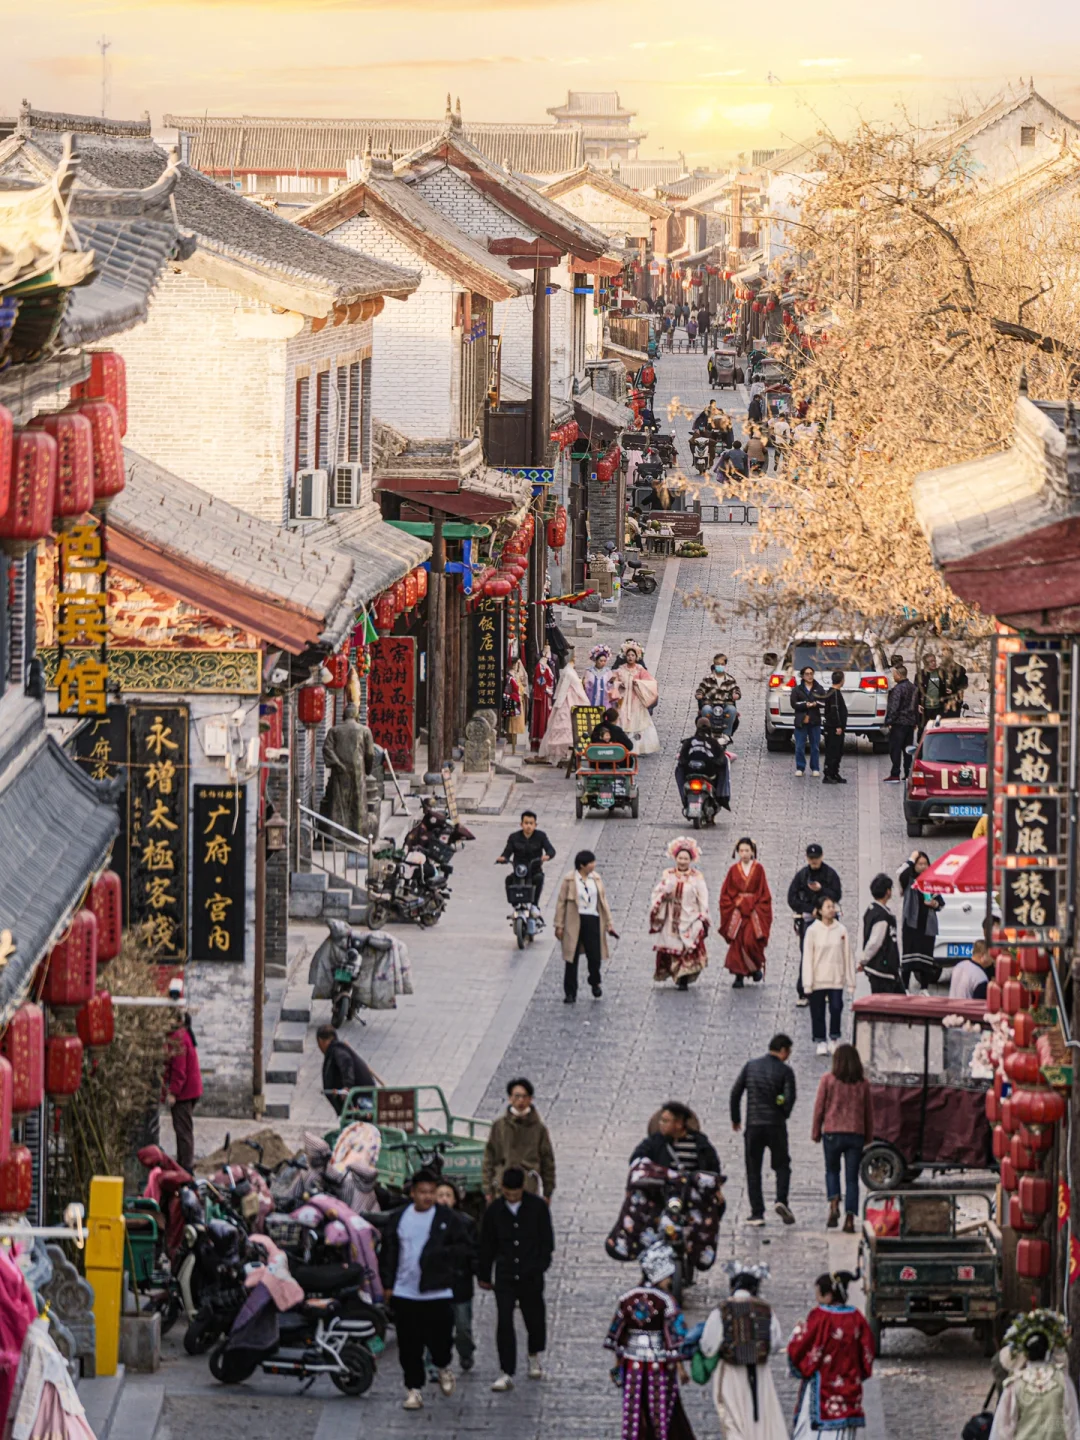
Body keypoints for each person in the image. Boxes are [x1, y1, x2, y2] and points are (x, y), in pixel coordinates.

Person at [379, 1168, 471, 1411]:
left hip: (437, 1291)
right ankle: (413, 1389)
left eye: (432, 1192)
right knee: (409, 1344)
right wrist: (387, 1285)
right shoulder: (399, 1218)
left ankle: (443, 1366)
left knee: (440, 1339)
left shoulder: (448, 1219)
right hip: (405, 1291)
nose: (428, 1197)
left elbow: (464, 1249)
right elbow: (388, 1253)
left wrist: (442, 1261)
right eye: (423, 1192)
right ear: (412, 1193)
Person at [605, 1242, 696, 1440]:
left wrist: (617, 1364)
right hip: (659, 1364)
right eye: (668, 1277)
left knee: (635, 1409)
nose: (670, 1281)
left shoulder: (627, 1298)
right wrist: (680, 1367)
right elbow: (674, 1338)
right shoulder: (666, 1301)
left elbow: (618, 1335)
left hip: (632, 1363)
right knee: (661, 1408)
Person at [479, 1166, 555, 1392]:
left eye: (516, 1193)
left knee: (534, 1317)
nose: (511, 1197)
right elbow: (487, 1244)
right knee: (504, 1320)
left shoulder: (538, 1207)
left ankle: (534, 1353)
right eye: (508, 1193)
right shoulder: (494, 1211)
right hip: (505, 1274)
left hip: (531, 1273)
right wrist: (484, 1274)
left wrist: (541, 1265)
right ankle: (506, 1370)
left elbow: (546, 1240)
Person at [697, 1266, 787, 1440]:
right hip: (760, 1372)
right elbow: (775, 1343)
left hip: (731, 1372)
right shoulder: (765, 1309)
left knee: (733, 1417)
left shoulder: (721, 1310)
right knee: (761, 1415)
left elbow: (708, 1345)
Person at [788, 1272, 874, 1438]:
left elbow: (802, 1344)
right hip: (849, 1385)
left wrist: (798, 1332)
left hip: (822, 1387)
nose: (817, 1299)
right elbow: (867, 1349)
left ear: (828, 1295)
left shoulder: (820, 1317)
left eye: (818, 1294)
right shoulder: (856, 1317)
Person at [730, 1034, 796, 1228]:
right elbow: (788, 1098)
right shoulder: (785, 1071)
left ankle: (757, 1213)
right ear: (783, 1050)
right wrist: (782, 1110)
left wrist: (736, 1119)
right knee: (782, 1165)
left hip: (754, 1125)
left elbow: (735, 1093)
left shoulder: (751, 1066)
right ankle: (781, 1199)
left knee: (753, 1169)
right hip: (775, 1126)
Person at [990, 1309, 1080, 1440]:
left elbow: (1003, 1428)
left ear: (1025, 1353)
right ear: (1048, 1350)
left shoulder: (1015, 1384)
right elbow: (1073, 1423)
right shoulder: (1063, 1381)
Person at [811, 1044, 873, 1232]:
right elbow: (868, 1113)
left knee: (832, 1171)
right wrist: (868, 1137)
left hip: (832, 1133)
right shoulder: (863, 1084)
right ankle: (849, 1219)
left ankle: (834, 1202)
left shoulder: (828, 1080)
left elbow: (819, 1108)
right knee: (852, 1178)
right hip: (855, 1134)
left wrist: (815, 1131)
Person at [554, 850, 619, 1003]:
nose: (593, 865)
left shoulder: (596, 878)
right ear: (582, 865)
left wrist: (609, 923)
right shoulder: (569, 880)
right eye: (591, 862)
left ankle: (594, 981)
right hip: (574, 920)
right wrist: (559, 925)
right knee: (571, 958)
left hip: (593, 919)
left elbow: (603, 901)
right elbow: (561, 902)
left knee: (595, 956)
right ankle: (570, 992)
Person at [650, 837, 710, 990]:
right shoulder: (668, 875)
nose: (682, 861)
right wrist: (664, 893)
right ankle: (676, 973)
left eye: (686, 858)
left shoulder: (697, 877)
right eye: (680, 858)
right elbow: (657, 892)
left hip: (690, 916)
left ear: (691, 859)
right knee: (674, 946)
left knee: (687, 946)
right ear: (675, 858)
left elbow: (703, 896)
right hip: (671, 917)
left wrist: (703, 914)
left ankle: (683, 977)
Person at [482, 1077, 557, 1202]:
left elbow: (547, 1160)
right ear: (510, 1098)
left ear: (530, 1099)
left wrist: (548, 1191)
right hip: (502, 1187)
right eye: (517, 1096)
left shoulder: (538, 1129)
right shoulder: (499, 1126)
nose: (520, 1100)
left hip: (528, 1187)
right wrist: (487, 1187)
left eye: (524, 1096)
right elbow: (489, 1157)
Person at [787, 844, 843, 1007]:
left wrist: (821, 890)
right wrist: (809, 909)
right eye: (811, 859)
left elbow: (837, 894)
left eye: (816, 858)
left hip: (828, 922)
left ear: (822, 857)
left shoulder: (830, 874)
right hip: (808, 921)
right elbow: (792, 898)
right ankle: (804, 991)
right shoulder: (802, 876)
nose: (814, 861)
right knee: (808, 955)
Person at [434, 1180, 478, 1374]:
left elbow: (474, 1252)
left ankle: (465, 1352)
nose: (444, 1200)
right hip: (435, 1285)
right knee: (435, 1327)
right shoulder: (426, 1222)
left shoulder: (466, 1223)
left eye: (448, 1195)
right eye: (440, 1195)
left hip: (460, 1283)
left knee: (462, 1327)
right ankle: (435, 1363)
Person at [801, 897, 854, 1057]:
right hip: (818, 979)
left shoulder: (841, 930)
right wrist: (807, 983)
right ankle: (820, 1040)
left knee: (836, 1008)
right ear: (819, 911)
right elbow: (808, 957)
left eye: (833, 906)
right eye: (827, 906)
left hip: (836, 978)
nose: (831, 909)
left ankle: (834, 1038)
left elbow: (848, 955)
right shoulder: (812, 931)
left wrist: (850, 980)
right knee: (817, 1011)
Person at [720, 838, 773, 988]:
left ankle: (754, 967)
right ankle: (739, 975)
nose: (744, 854)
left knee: (751, 941)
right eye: (741, 851)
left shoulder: (759, 869)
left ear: (753, 852)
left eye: (747, 851)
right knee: (738, 942)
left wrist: (754, 905)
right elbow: (726, 893)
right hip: (737, 912)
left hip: (754, 912)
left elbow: (764, 892)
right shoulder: (733, 870)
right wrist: (735, 904)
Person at [163, 979, 202, 1174]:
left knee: (183, 1131)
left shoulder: (178, 1037)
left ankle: (186, 1168)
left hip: (185, 1092)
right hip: (190, 1089)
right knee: (182, 1129)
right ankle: (183, 1163)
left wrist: (173, 1093)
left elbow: (179, 1070)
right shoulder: (182, 1033)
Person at [322, 703, 376, 837]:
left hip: (340, 771)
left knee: (338, 801)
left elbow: (327, 748)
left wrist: (337, 763)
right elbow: (370, 754)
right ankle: (357, 832)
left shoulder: (334, 730)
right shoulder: (364, 730)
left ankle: (336, 832)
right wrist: (367, 770)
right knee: (357, 801)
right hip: (357, 769)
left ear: (343, 715)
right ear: (357, 716)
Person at [896, 850, 944, 988]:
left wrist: (934, 904)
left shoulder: (932, 882)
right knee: (908, 959)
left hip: (927, 926)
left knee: (926, 959)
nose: (923, 867)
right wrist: (911, 858)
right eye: (919, 864)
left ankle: (924, 988)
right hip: (911, 925)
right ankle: (905, 987)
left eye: (925, 864)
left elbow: (940, 903)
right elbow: (900, 873)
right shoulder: (908, 881)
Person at [631, 1100, 721, 1174]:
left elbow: (713, 1168)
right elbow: (637, 1158)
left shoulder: (700, 1143)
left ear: (679, 1124)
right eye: (661, 1120)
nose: (660, 1124)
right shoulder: (654, 1141)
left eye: (665, 1121)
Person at [496, 810, 556, 909]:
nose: (528, 826)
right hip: (519, 871)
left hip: (534, 870)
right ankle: (515, 905)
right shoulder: (514, 837)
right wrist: (503, 858)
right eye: (526, 823)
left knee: (539, 878)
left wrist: (547, 856)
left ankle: (535, 905)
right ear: (521, 824)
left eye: (531, 823)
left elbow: (551, 849)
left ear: (535, 825)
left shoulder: (541, 836)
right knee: (509, 880)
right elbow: (507, 852)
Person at [608, 641, 660, 754]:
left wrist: (639, 683)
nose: (630, 657)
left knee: (638, 721)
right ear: (625, 656)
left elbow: (651, 682)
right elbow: (611, 681)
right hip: (624, 700)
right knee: (622, 719)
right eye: (628, 655)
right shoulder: (621, 669)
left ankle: (637, 747)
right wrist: (618, 684)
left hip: (636, 700)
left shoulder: (640, 669)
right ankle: (622, 745)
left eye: (632, 655)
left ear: (637, 657)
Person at [859, 873, 905, 994]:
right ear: (888, 892)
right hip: (883, 970)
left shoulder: (871, 910)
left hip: (881, 969)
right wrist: (863, 960)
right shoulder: (883, 916)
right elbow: (875, 941)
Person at [317, 1024, 376, 1114]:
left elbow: (346, 1062)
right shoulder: (338, 1049)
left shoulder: (337, 1050)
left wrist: (347, 1087)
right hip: (362, 1096)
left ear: (320, 1041)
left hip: (361, 1099)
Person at [539, 658, 589, 763]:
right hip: (567, 700)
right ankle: (562, 754)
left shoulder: (569, 671)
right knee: (565, 725)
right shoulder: (569, 672)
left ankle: (567, 753)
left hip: (572, 700)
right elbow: (562, 689)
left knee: (570, 727)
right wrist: (558, 703)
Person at [675, 716, 730, 810]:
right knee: (725, 762)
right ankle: (722, 794)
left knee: (678, 770)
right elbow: (720, 760)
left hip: (690, 771)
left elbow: (682, 759)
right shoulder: (713, 742)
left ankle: (683, 796)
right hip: (709, 772)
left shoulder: (689, 741)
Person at [882, 663, 919, 783]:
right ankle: (908, 773)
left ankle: (895, 773)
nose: (893, 677)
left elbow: (894, 707)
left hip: (899, 723)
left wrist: (889, 720)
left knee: (895, 748)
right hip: (910, 723)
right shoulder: (914, 688)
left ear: (899, 675)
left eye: (894, 674)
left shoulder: (898, 689)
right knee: (907, 749)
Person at [792, 666, 826, 778]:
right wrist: (805, 704)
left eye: (811, 673)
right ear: (803, 676)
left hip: (814, 721)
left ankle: (815, 767)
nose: (809, 676)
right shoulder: (797, 689)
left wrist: (816, 704)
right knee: (799, 746)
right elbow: (794, 704)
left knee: (815, 746)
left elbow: (824, 702)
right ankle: (800, 767)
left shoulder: (819, 688)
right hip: (801, 721)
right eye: (807, 674)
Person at [695, 652, 741, 737]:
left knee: (732, 710)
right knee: (706, 710)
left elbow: (736, 690)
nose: (720, 666)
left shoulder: (730, 679)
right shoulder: (707, 679)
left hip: (726, 705)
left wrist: (736, 695)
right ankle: (707, 733)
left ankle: (727, 735)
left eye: (722, 664)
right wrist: (699, 695)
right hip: (710, 704)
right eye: (717, 664)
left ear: (725, 665)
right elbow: (700, 689)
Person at [822, 670, 848, 785]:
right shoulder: (834, 694)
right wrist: (838, 725)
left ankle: (834, 773)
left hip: (836, 728)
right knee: (832, 751)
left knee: (838, 751)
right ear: (841, 680)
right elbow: (834, 710)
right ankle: (828, 774)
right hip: (833, 728)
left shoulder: (833, 693)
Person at [915, 651, 946, 733]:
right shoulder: (920, 674)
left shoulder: (940, 673)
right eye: (931, 662)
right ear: (925, 663)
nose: (933, 663)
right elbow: (916, 691)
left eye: (934, 661)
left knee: (938, 729)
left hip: (938, 707)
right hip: (925, 708)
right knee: (922, 729)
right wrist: (918, 704)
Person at [940, 644, 970, 716]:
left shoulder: (959, 669)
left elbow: (964, 685)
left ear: (952, 655)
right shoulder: (940, 670)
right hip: (942, 703)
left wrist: (954, 690)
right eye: (944, 656)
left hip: (955, 702)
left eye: (948, 656)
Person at [583, 644, 615, 709]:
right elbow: (585, 686)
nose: (603, 663)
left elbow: (611, 687)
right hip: (591, 699)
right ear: (596, 660)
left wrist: (611, 683)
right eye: (601, 661)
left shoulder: (608, 672)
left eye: (604, 661)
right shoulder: (589, 671)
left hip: (605, 700)